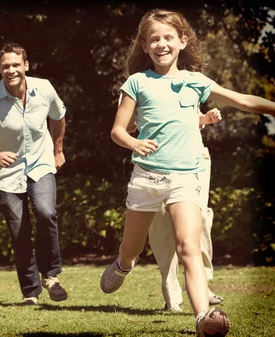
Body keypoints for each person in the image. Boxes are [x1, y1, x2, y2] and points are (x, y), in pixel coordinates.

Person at [101, 8, 275, 336]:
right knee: (132, 247)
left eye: (168, 37)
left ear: (182, 41)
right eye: (154, 39)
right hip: (147, 179)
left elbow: (242, 101)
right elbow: (118, 131)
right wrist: (133, 144)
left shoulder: (195, 82)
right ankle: (124, 264)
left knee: (188, 247)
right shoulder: (137, 82)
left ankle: (202, 317)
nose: (161, 44)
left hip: (185, 178)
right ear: (144, 46)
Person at [0, 42, 68, 305]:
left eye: (16, 65)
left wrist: (58, 149)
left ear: (26, 65)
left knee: (46, 212)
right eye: (5, 66)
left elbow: (59, 115)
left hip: (41, 162)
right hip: (8, 174)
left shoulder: (44, 88)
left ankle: (51, 275)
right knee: (19, 232)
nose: (11, 70)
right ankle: (30, 292)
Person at [148, 109, 223, 313]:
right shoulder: (139, 85)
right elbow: (128, 126)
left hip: (194, 160)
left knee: (200, 219)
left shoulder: (190, 83)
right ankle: (172, 296)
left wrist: (206, 118)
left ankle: (203, 285)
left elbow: (193, 117)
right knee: (162, 225)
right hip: (157, 161)